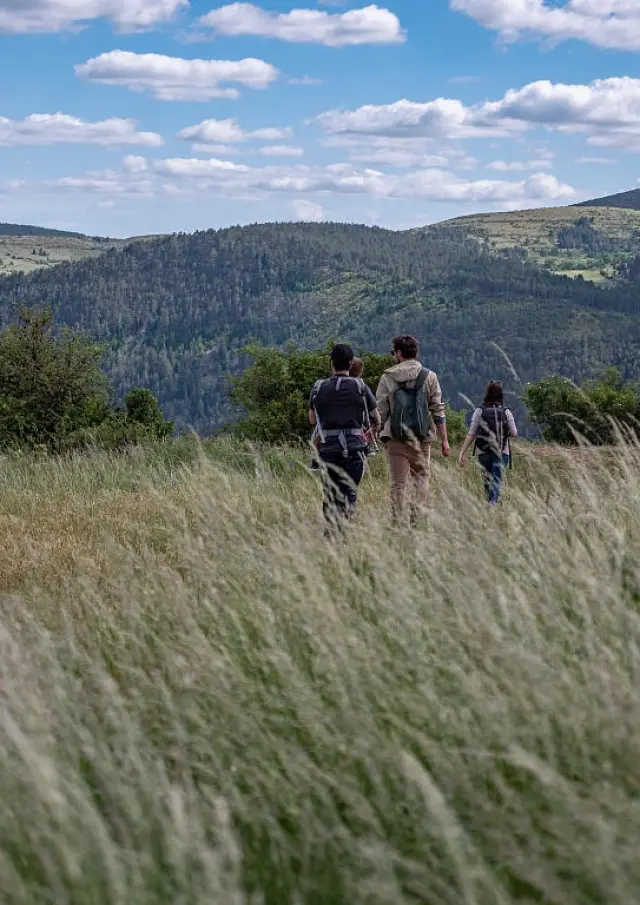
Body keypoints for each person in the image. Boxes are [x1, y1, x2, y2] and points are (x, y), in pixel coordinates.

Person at [376, 335, 449, 522]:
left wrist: (374, 432)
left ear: (399, 353)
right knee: (422, 478)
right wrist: (445, 440)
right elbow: (438, 409)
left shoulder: (388, 377)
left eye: (393, 352)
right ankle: (417, 519)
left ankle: (397, 521)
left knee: (399, 484)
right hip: (422, 438)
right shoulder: (429, 376)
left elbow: (380, 411)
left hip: (396, 437)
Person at [309, 344, 380, 530]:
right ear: (351, 363)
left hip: (327, 449)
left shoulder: (318, 387)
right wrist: (368, 433)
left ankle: (331, 533)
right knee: (349, 491)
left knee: (330, 493)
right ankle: (344, 531)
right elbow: (376, 418)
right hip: (354, 449)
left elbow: (312, 419)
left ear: (331, 363)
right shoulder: (360, 386)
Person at [458, 381, 518, 506]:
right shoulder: (506, 412)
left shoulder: (480, 411)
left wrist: (462, 452)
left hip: (483, 452)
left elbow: (472, 433)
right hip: (502, 452)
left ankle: (490, 506)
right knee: (497, 481)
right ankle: (493, 504)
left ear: (487, 394)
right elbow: (514, 433)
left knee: (487, 482)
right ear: (501, 395)